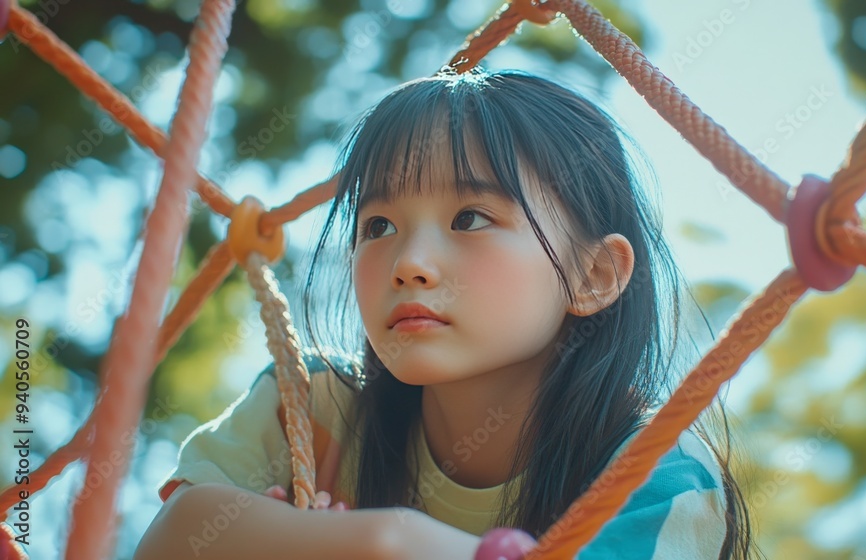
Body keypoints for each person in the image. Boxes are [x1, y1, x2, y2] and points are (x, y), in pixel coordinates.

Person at [136, 69, 752, 559]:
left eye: (470, 219)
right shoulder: (312, 403)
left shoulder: (654, 472)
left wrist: (388, 544)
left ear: (593, 275)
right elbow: (174, 536)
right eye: (378, 226)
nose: (410, 262)